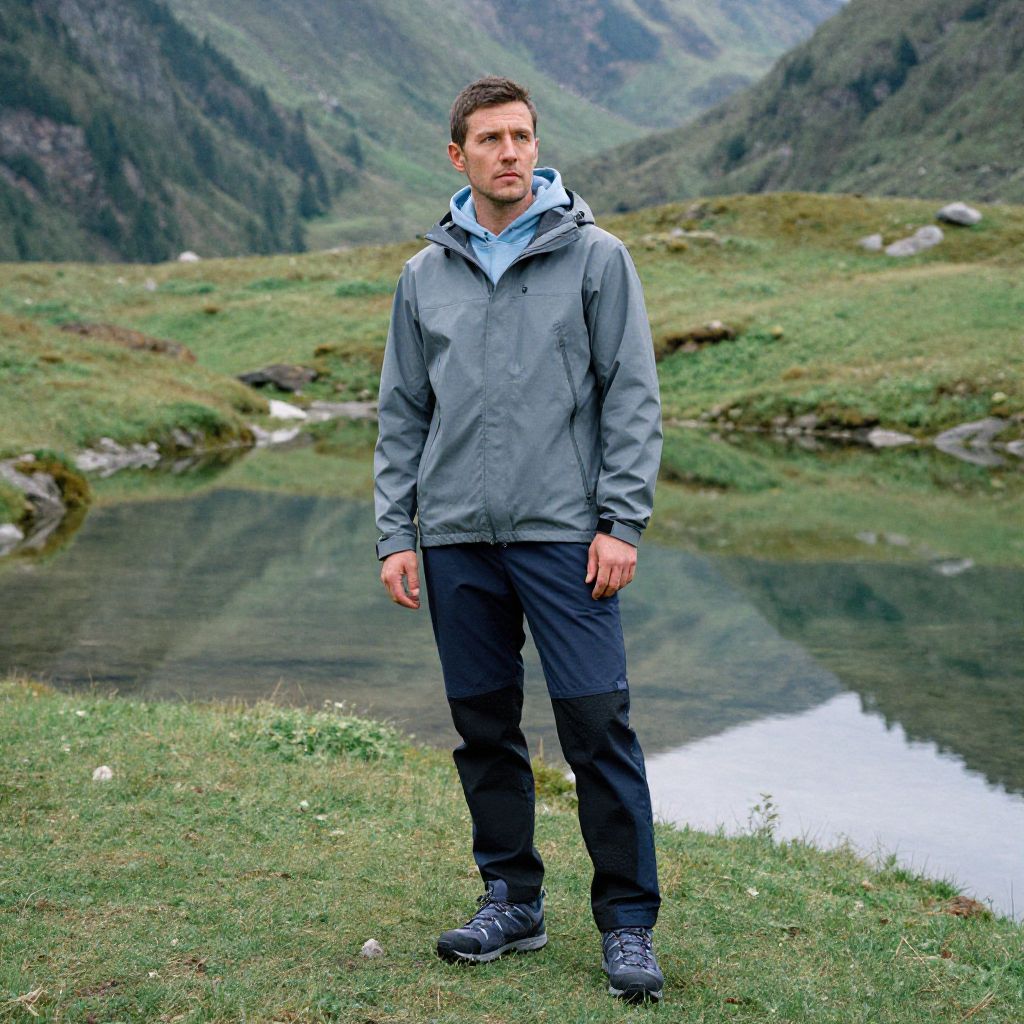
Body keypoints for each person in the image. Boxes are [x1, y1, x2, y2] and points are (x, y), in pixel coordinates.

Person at [374, 76, 664, 1003]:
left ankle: (627, 924)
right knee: (484, 728)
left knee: (597, 726)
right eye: (491, 139)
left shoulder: (597, 258)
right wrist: (396, 533)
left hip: (566, 536)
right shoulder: (423, 277)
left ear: (538, 146)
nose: (511, 153)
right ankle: (513, 901)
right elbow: (402, 413)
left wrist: (621, 522)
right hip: (455, 537)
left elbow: (632, 397)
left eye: (523, 137)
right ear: (457, 154)